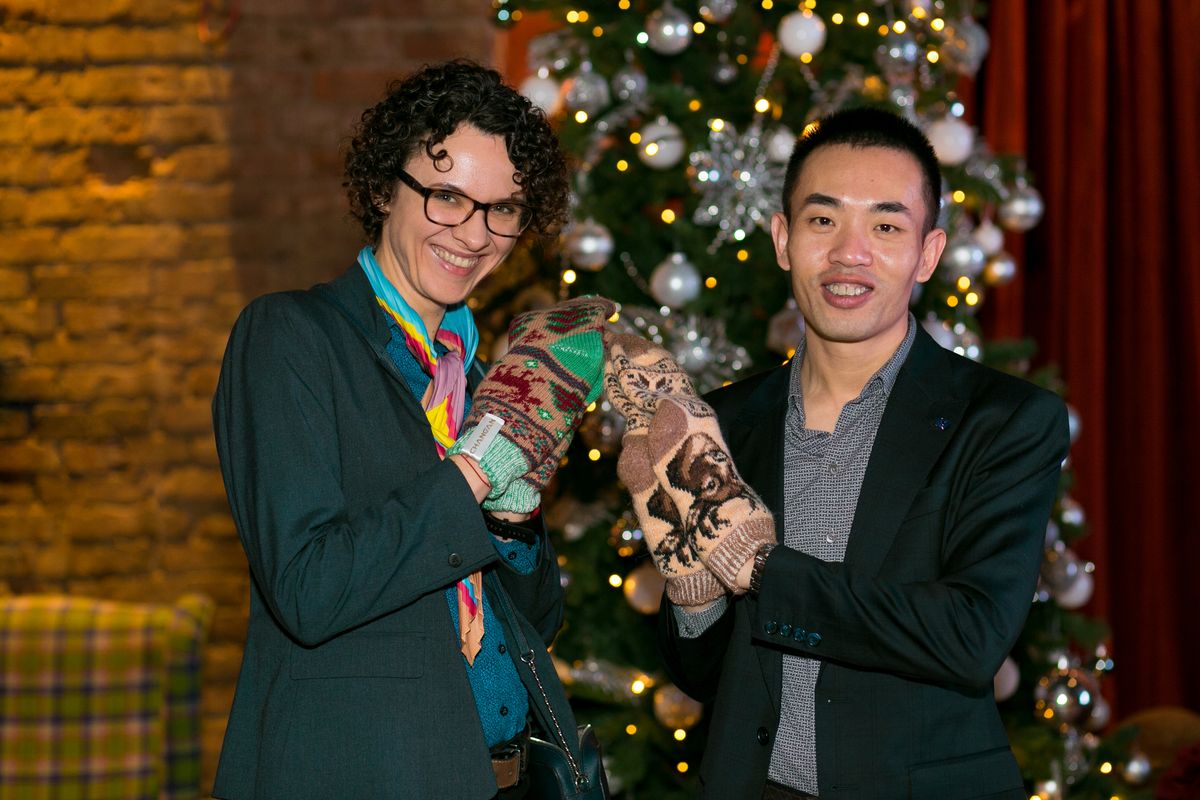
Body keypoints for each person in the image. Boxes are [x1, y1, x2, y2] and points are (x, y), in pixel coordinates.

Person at [605, 107, 1068, 799]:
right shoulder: (718, 424)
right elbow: (704, 679)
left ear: (928, 253)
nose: (850, 253)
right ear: (783, 239)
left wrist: (761, 569)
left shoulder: (1004, 420)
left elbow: (970, 638)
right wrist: (695, 592)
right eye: (823, 220)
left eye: (886, 227)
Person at [211, 61, 612, 800]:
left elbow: (534, 623)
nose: (476, 234)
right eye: (447, 196)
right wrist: (477, 469)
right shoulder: (290, 337)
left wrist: (515, 517)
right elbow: (308, 588)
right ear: (382, 189)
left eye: (503, 209)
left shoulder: (481, 377)